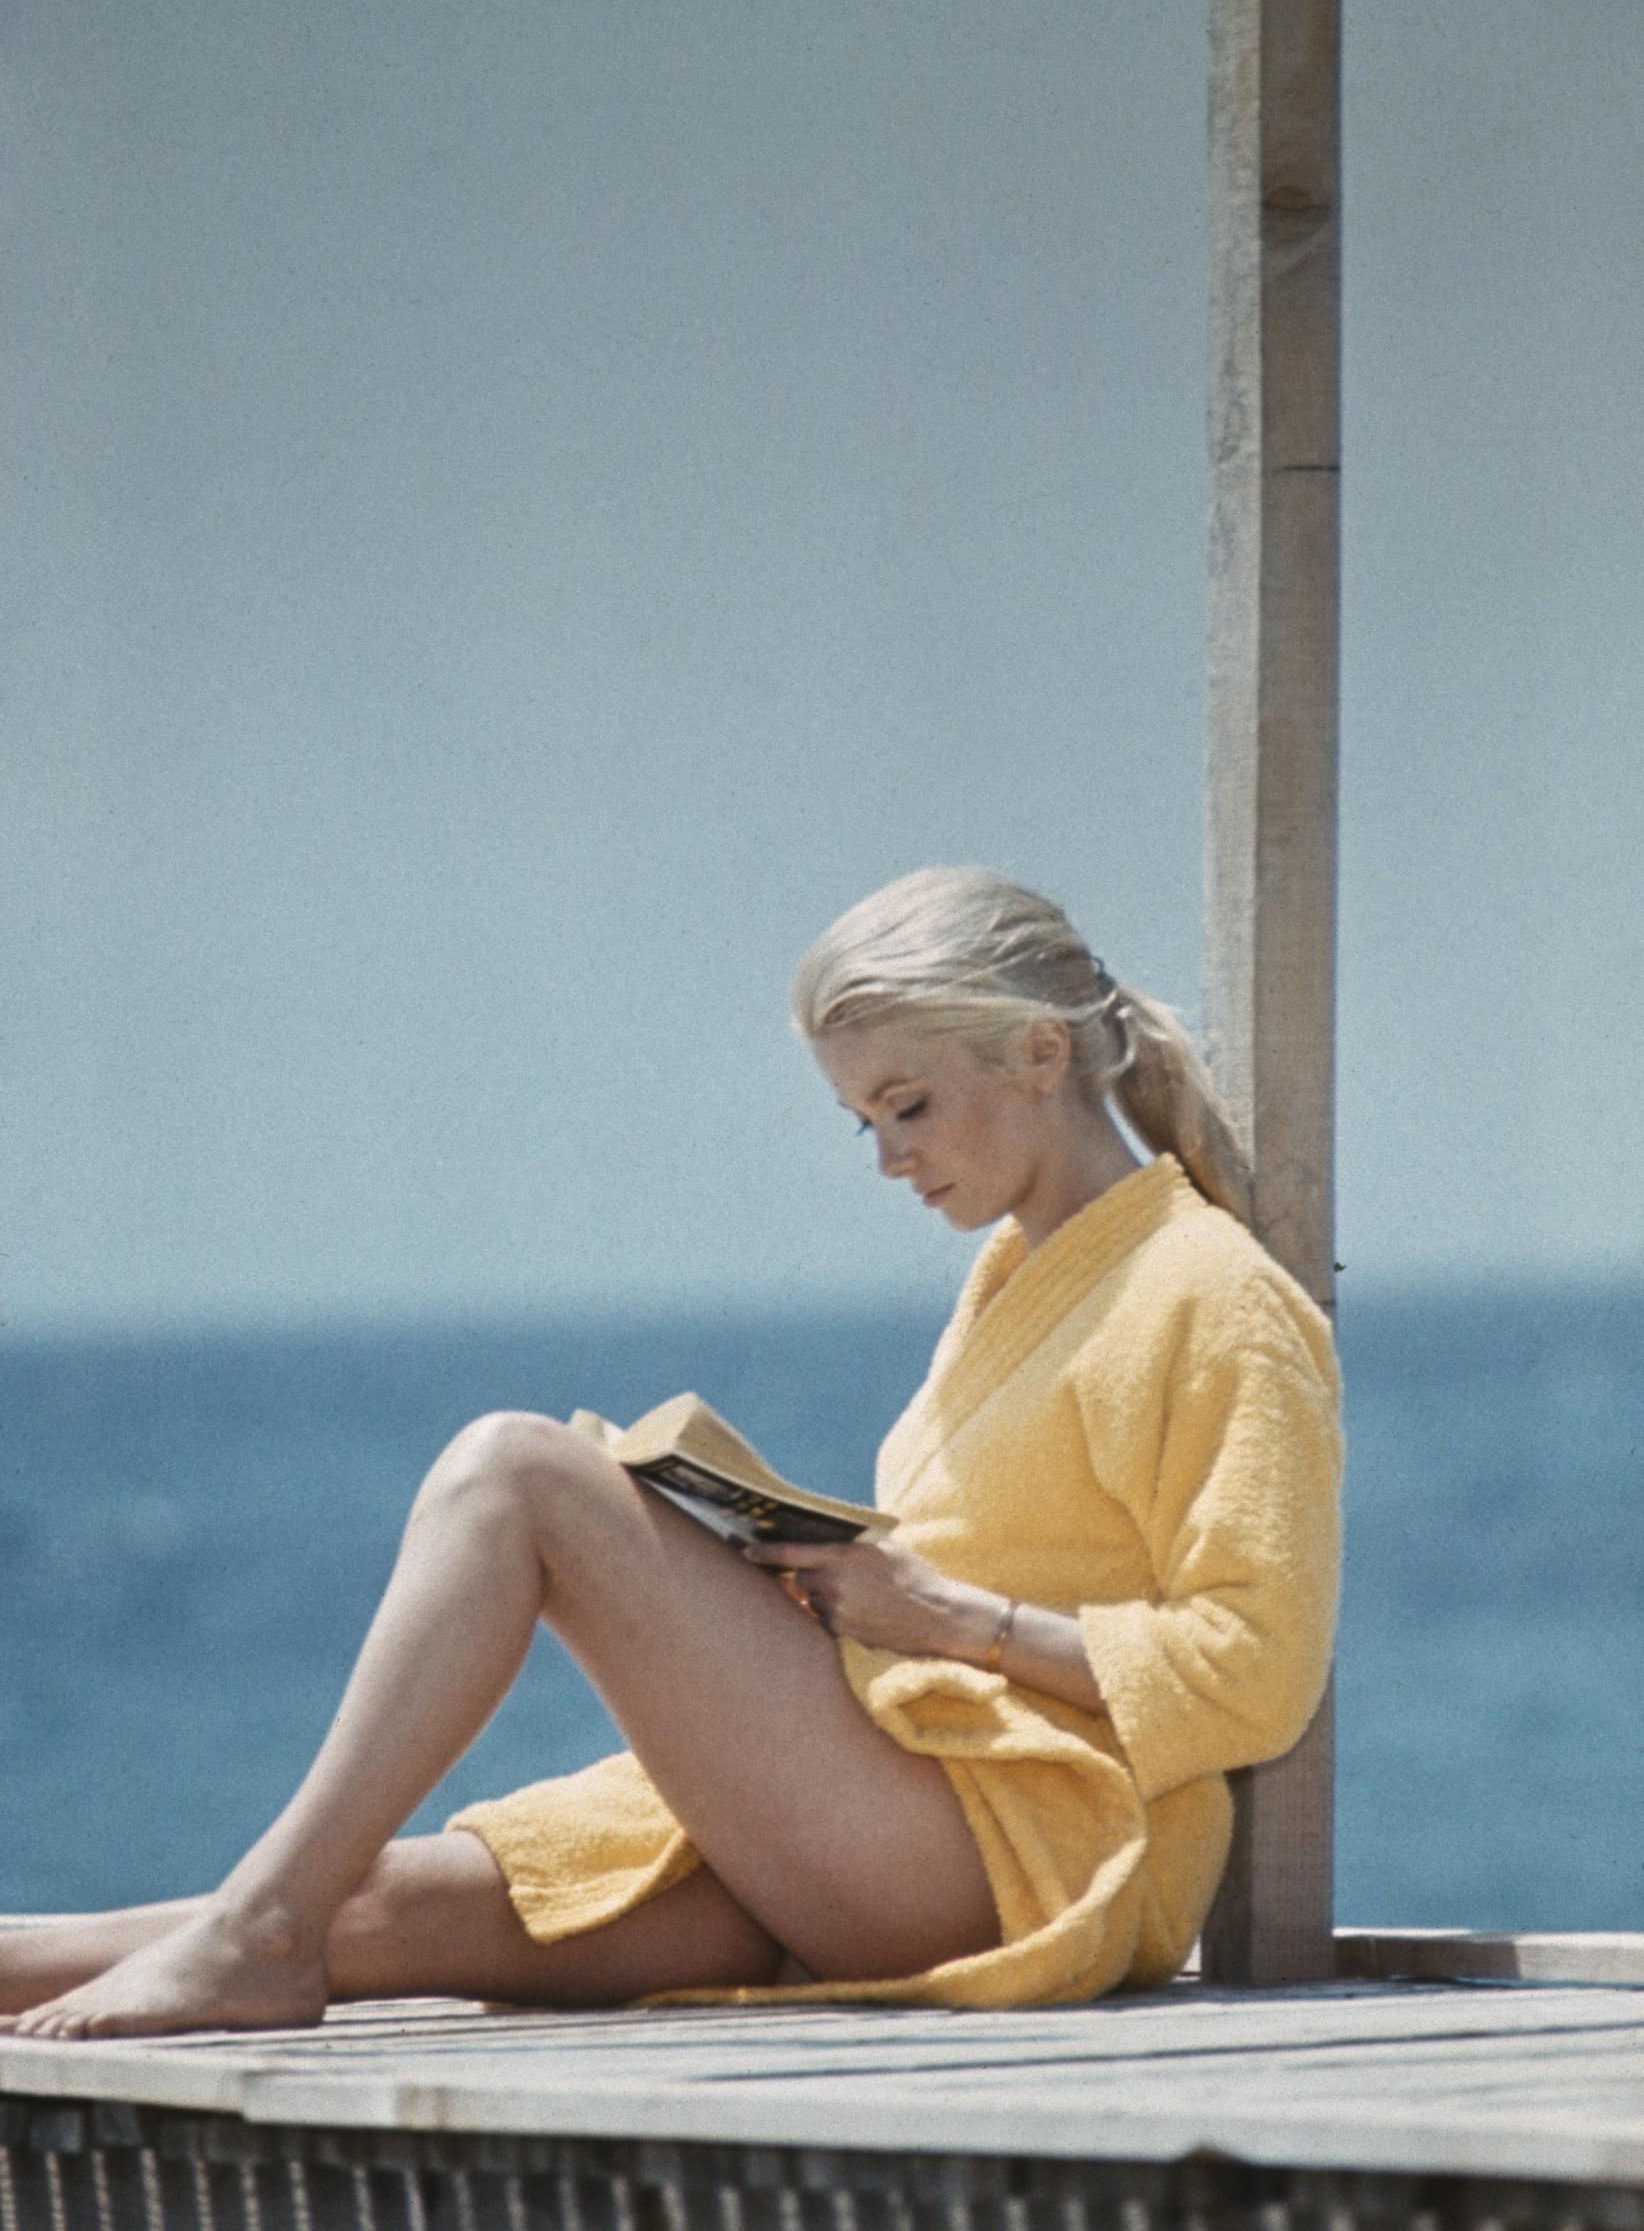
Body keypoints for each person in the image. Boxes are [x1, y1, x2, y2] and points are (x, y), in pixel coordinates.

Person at [0, 867, 1341, 2041]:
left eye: (910, 1105)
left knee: (514, 1475)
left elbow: (1256, 1670)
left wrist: (944, 1616)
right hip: (886, 1819)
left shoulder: (1209, 1295)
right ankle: (217, 1937)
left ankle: (256, 1939)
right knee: (371, 1905)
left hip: (1024, 1852)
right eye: (865, 1120)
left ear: (1041, 1055)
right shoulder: (1022, 1275)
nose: (887, 1158)